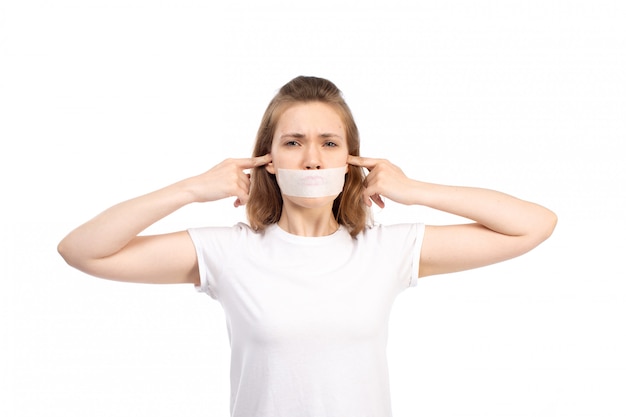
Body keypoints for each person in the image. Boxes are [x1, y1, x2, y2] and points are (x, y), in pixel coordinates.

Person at [58, 76, 557, 417]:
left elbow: (533, 225)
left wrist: (415, 189)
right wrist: (190, 189)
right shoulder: (228, 253)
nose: (313, 159)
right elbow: (82, 251)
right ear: (267, 159)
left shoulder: (386, 250)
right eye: (293, 142)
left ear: (351, 157)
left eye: (329, 143)